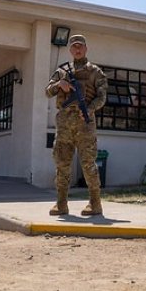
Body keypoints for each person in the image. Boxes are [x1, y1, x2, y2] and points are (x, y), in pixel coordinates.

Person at [45, 34, 108, 215]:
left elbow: (102, 96)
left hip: (84, 123)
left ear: (86, 49)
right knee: (62, 163)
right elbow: (48, 92)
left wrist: (89, 108)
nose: (78, 49)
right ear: (70, 50)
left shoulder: (95, 72)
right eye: (74, 47)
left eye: (80, 46)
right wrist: (59, 84)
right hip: (64, 123)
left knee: (88, 163)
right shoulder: (62, 71)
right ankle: (61, 203)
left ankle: (95, 203)